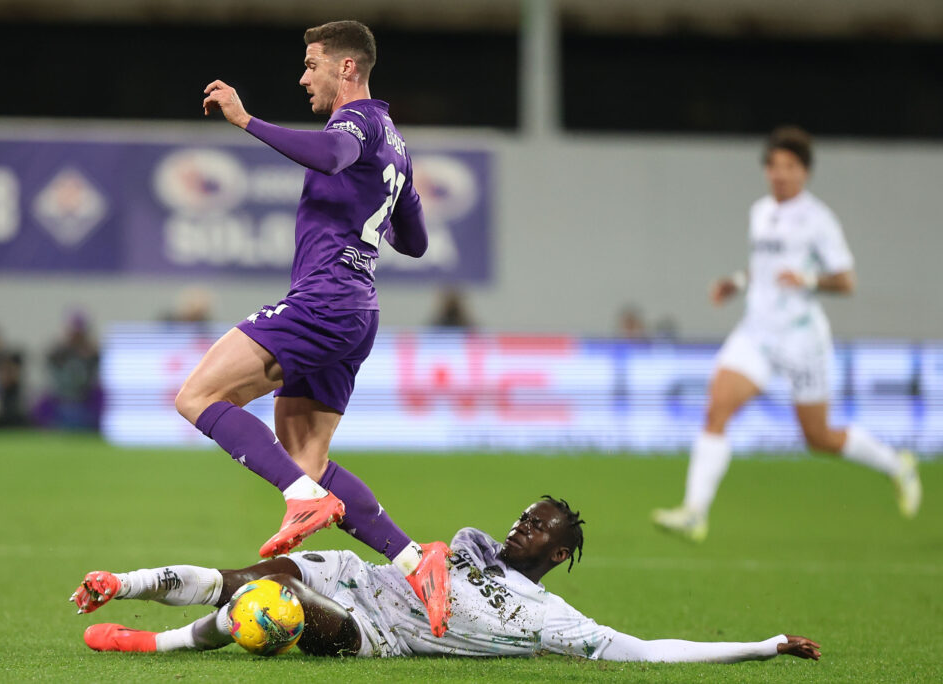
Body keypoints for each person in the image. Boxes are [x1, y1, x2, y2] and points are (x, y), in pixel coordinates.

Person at [175, 20, 449, 635]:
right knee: (306, 456)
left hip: (323, 300)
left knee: (197, 396)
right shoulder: (395, 141)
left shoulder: (353, 123)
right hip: (359, 309)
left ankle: (303, 500)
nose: (304, 77)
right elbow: (417, 240)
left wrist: (245, 120)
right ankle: (415, 559)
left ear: (346, 69)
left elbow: (330, 155)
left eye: (312, 64)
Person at [71, 496, 821, 664]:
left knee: (278, 608)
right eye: (525, 517)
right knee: (250, 574)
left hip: (377, 633)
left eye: (539, 530)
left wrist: (763, 645)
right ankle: (124, 580)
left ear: (558, 554)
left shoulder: (549, 618)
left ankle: (154, 645)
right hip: (361, 577)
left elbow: (650, 652)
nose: (522, 529)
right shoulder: (466, 543)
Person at [652, 126, 922, 543]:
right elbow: (764, 271)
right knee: (716, 409)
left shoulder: (818, 220)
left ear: (805, 172)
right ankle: (695, 513)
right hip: (756, 334)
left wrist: (809, 277)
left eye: (790, 166)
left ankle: (897, 464)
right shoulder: (760, 212)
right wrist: (737, 282)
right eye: (774, 166)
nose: (780, 174)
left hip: (801, 339)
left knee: (818, 436)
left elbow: (846, 281)